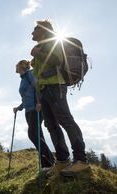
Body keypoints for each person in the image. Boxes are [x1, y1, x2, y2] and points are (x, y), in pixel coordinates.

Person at [30, 20, 89, 177]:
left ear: (43, 30)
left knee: (65, 120)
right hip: (44, 89)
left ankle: (81, 160)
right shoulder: (42, 45)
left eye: (35, 29)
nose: (32, 32)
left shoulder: (52, 42)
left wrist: (38, 54)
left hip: (55, 86)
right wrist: (38, 98)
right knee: (51, 125)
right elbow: (38, 75)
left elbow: (56, 60)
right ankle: (62, 160)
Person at [13, 60, 55, 172]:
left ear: (21, 66)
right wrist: (19, 108)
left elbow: (38, 88)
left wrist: (40, 103)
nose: (16, 68)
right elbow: (27, 96)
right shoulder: (23, 79)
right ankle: (46, 164)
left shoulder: (30, 74)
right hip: (29, 110)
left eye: (17, 65)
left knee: (32, 134)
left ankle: (50, 162)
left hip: (36, 109)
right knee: (38, 135)